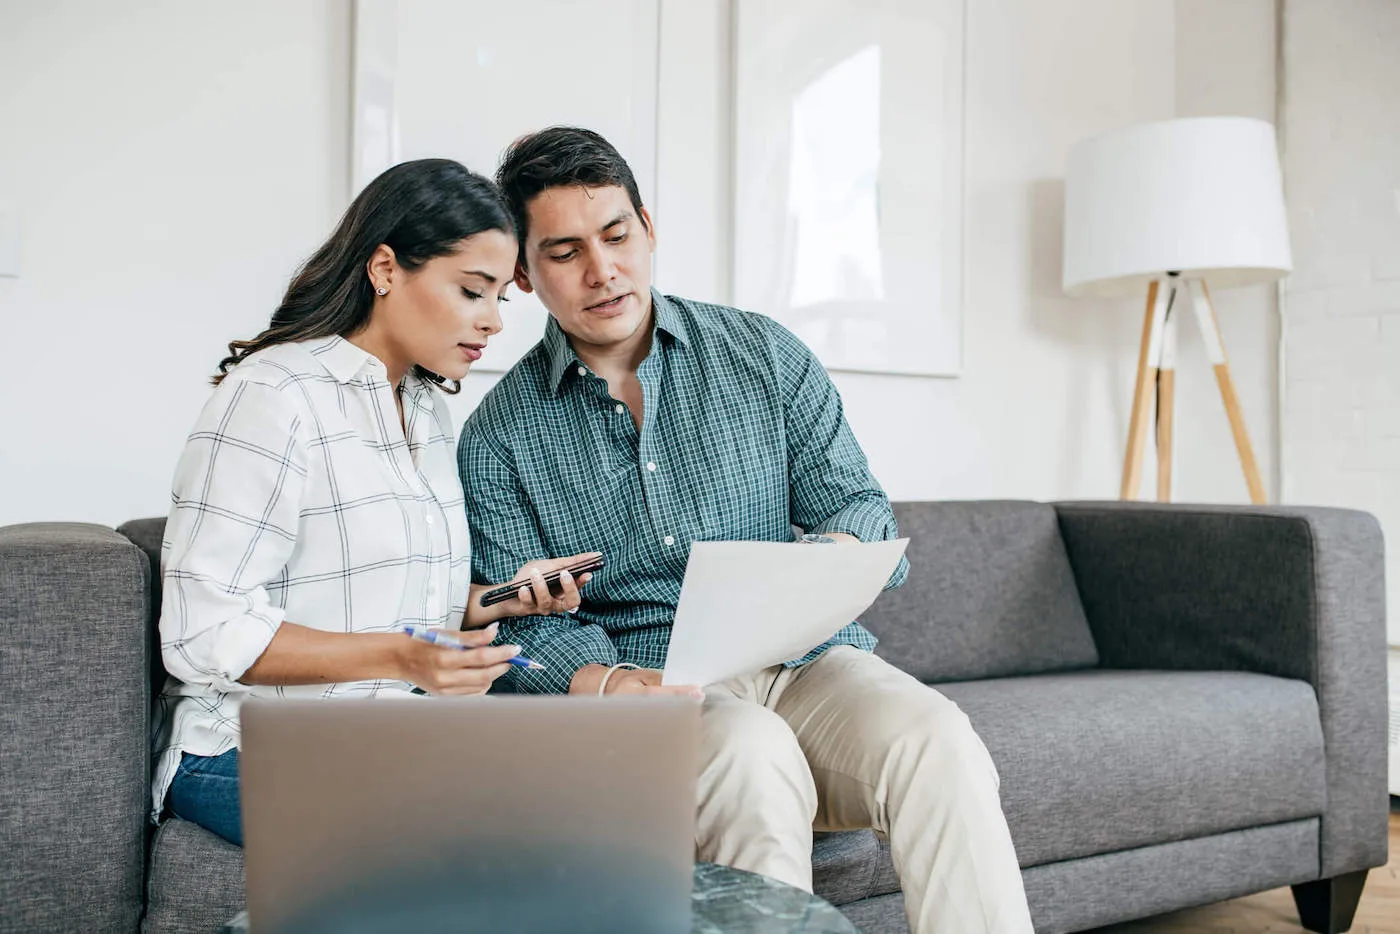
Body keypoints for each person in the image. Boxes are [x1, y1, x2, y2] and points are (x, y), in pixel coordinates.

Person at [457, 128, 1035, 933]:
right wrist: (603, 677)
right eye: (564, 252)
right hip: (651, 689)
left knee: (939, 739)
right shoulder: (497, 436)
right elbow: (512, 641)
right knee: (753, 755)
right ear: (523, 272)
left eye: (617, 236)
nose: (603, 270)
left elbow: (860, 510)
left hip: (805, 663)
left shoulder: (763, 354)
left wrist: (819, 566)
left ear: (648, 227)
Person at [152, 158, 597, 847]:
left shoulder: (422, 408)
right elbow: (203, 633)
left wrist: (501, 599)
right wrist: (400, 659)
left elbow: (397, 606)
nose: (492, 323)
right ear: (386, 269)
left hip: (391, 734)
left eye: (499, 300)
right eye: (472, 291)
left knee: (597, 801)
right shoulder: (274, 397)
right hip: (246, 749)